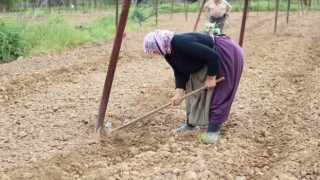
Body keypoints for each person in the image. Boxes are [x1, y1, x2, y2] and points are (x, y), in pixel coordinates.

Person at [143, 30, 243, 144]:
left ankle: (213, 132)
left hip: (225, 52)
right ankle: (191, 125)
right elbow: (179, 70)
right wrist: (178, 93)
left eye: (153, 48)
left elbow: (213, 56)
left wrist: (211, 78)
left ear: (160, 43)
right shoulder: (168, 52)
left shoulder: (181, 43)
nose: (153, 52)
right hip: (207, 58)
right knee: (193, 89)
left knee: (219, 93)